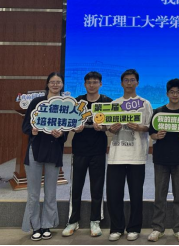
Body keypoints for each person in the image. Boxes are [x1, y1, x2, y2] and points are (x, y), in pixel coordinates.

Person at [62, 72, 113, 237]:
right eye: (89, 82)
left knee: (97, 187)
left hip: (98, 150)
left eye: (95, 82)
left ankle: (95, 221)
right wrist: (74, 128)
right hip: (79, 150)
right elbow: (68, 122)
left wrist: (103, 127)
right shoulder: (77, 102)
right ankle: (73, 221)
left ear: (100, 84)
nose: (92, 85)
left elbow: (112, 125)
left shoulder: (107, 102)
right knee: (76, 187)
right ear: (84, 84)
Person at [105, 69, 153, 242]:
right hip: (116, 155)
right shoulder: (114, 104)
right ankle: (116, 228)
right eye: (126, 80)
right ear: (121, 83)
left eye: (132, 80)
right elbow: (108, 128)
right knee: (113, 194)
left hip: (136, 156)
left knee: (136, 194)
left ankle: (134, 228)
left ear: (137, 83)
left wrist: (140, 127)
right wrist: (112, 128)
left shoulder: (145, 103)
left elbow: (150, 127)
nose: (129, 83)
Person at [21, 72, 68, 241]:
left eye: (58, 82)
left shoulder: (65, 104)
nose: (55, 85)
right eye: (52, 82)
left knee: (50, 192)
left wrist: (61, 135)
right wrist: (32, 131)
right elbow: (25, 126)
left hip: (54, 150)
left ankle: (47, 224)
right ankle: (35, 226)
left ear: (62, 85)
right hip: (35, 149)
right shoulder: (36, 102)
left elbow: (66, 130)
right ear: (47, 84)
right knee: (33, 193)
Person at [148, 78, 179, 243]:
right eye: (172, 92)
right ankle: (157, 228)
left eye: (178, 92)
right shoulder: (159, 112)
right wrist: (157, 135)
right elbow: (151, 133)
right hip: (161, 159)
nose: (175, 95)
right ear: (167, 93)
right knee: (159, 195)